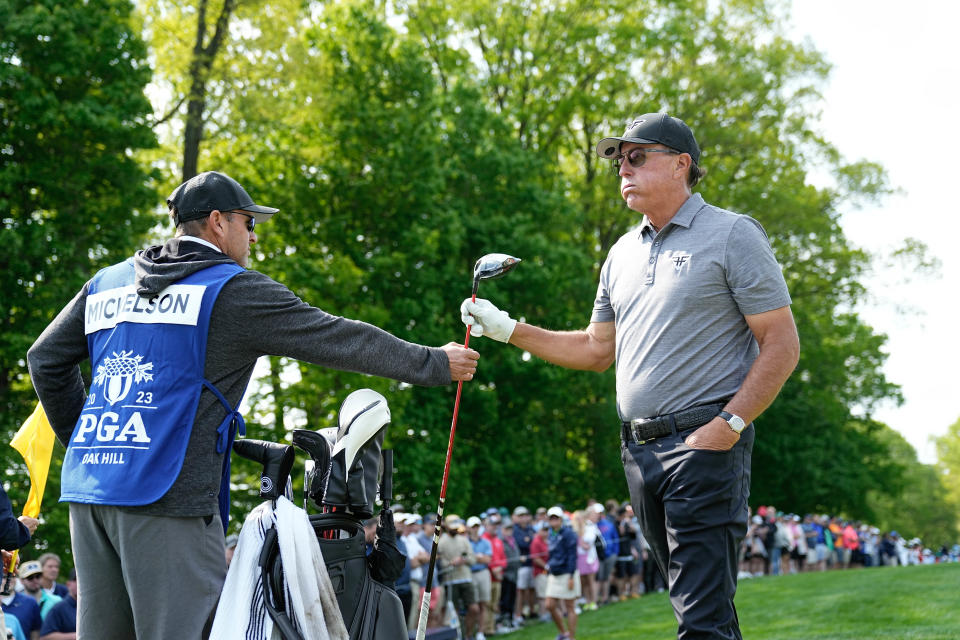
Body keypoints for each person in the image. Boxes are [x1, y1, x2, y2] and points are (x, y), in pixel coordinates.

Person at [26, 170, 480, 640]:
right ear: (218, 222)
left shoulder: (108, 282)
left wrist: (88, 441)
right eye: (249, 221)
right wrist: (433, 362)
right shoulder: (232, 289)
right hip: (168, 498)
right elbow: (338, 337)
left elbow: (45, 359)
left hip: (90, 491)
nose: (255, 234)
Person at [461, 113, 800, 639]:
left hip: (704, 442)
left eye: (638, 156)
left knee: (701, 617)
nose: (624, 167)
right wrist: (508, 330)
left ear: (682, 164)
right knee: (701, 608)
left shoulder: (734, 234)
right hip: (639, 454)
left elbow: (781, 342)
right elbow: (597, 350)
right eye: (619, 159)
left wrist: (730, 423)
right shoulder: (620, 254)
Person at [436, 515, 479, 638]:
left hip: (466, 578)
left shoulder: (463, 540)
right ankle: (458, 636)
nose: (455, 529)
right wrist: (451, 563)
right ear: (447, 526)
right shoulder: (441, 541)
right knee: (453, 612)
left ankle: (468, 635)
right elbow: (440, 563)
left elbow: (473, 559)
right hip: (450, 581)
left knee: (474, 608)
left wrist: (463, 559)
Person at [544, 507, 579, 640]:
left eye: (556, 518)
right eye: (551, 518)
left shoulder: (568, 533)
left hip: (567, 572)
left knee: (569, 606)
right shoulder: (550, 533)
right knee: (549, 605)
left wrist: (571, 576)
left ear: (561, 519)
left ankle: (571, 636)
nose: (553, 520)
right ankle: (563, 633)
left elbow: (572, 556)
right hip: (554, 573)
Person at [466, 516, 492, 639]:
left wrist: (474, 557)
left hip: (483, 573)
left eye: (477, 526)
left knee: (483, 604)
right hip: (470, 574)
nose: (475, 529)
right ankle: (469, 633)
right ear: (469, 528)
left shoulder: (485, 542)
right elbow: (467, 560)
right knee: (473, 606)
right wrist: (478, 557)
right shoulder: (465, 542)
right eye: (473, 527)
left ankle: (480, 632)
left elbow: (487, 559)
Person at [38, 569, 77, 640]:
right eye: (75, 580)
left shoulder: (94, 607)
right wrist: (76, 636)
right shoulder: (59, 608)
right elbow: (45, 636)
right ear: (68, 584)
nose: (80, 583)